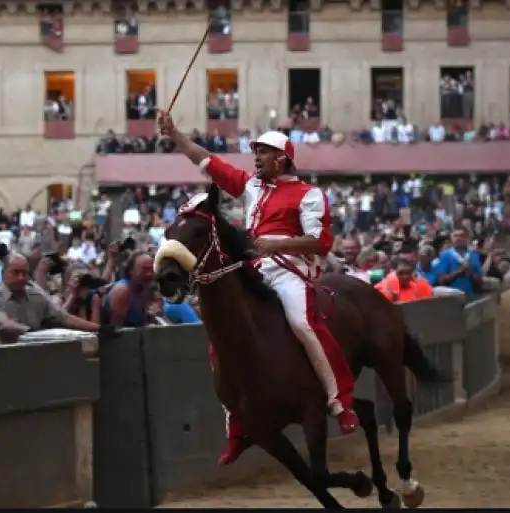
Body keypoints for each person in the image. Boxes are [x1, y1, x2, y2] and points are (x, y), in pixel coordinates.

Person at [157, 109, 358, 466]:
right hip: (254, 268)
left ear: (282, 160)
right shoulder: (251, 186)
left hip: (290, 271)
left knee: (302, 323)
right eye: (256, 152)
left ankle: (338, 400)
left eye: (263, 152)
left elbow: (319, 242)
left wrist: (275, 246)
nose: (256, 157)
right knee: (222, 337)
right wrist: (174, 133)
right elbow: (207, 162)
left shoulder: (310, 195)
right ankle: (236, 425)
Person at [0, 253, 105, 344]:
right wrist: (38, 333)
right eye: (15, 272)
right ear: (4, 273)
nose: (21, 277)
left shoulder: (36, 295)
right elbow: (6, 325)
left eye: (25, 273)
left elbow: (64, 318)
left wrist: (100, 328)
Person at [102, 251, 154, 328]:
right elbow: (115, 331)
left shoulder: (144, 288)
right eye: (145, 269)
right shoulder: (123, 290)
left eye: (151, 269)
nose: (149, 274)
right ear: (131, 271)